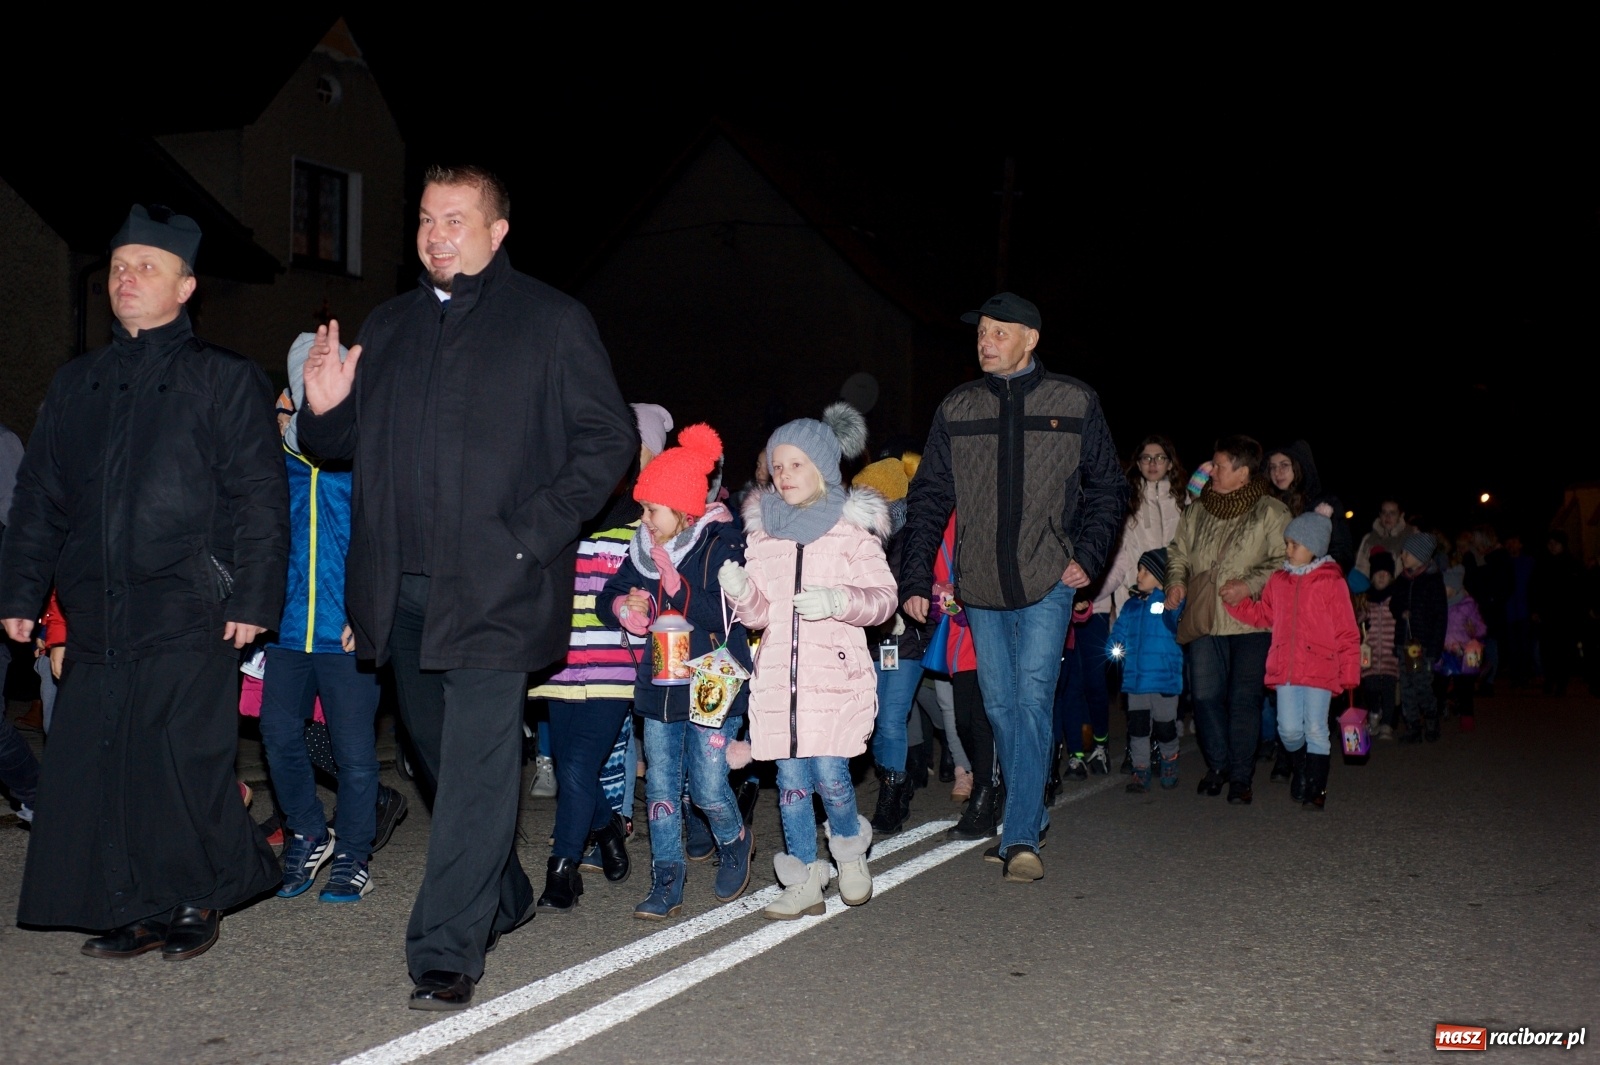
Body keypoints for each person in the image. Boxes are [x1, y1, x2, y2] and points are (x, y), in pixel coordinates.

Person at [297, 166, 635, 1010]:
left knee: (481, 767)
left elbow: (606, 438)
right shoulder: (393, 324)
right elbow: (348, 446)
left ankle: (446, 951)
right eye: (425, 219)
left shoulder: (551, 321)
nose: (437, 234)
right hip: (402, 592)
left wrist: (530, 536)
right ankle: (505, 895)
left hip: (497, 589)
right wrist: (323, 412)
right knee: (441, 760)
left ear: (497, 231)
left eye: (456, 219)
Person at [0, 205, 288, 960]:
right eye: (120, 267)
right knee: (106, 761)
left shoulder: (223, 380)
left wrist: (255, 596)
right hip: (99, 607)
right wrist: (20, 594)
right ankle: (131, 905)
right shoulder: (78, 383)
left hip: (190, 602)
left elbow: (261, 495)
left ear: (186, 285)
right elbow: (40, 497)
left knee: (180, 762)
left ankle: (197, 892)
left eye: (147, 267)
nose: (127, 279)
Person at [899, 293, 1124, 883]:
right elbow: (927, 497)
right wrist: (917, 575)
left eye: (1001, 332)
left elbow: (1107, 489)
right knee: (998, 705)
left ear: (1031, 338)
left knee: (1030, 696)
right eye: (982, 332)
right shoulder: (958, 406)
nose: (986, 341)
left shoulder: (1074, 401)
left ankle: (1021, 834)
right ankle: (1030, 811)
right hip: (979, 582)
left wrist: (1088, 558)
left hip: (1048, 575)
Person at [719, 403, 897, 918]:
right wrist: (741, 591)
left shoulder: (849, 532)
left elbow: (883, 596)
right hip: (780, 684)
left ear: (822, 466)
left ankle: (848, 851)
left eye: (796, 463)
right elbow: (759, 616)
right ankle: (803, 875)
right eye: (777, 464)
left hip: (833, 680)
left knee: (832, 779)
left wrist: (839, 600)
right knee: (792, 787)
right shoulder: (763, 535)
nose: (784, 473)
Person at [256, 334, 395, 904]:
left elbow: (387, 539)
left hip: (346, 632)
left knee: (354, 750)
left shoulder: (366, 453)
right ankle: (309, 832)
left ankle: (355, 854)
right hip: (286, 628)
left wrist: (369, 613)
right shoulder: (274, 459)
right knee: (278, 736)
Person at [602, 424, 754, 918]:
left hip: (713, 678)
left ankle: (733, 839)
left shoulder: (721, 543)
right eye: (643, 508)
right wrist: (626, 607)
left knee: (708, 785)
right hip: (662, 682)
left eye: (652, 510)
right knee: (663, 788)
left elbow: (729, 614)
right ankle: (666, 878)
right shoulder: (643, 550)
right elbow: (613, 593)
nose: (643, 520)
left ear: (684, 510)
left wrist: (677, 588)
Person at [1165, 435, 1290, 805]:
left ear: (1243, 472)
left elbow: (1284, 562)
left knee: (1243, 699)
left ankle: (1240, 775)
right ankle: (1216, 765)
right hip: (1205, 617)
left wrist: (1248, 585)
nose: (1212, 471)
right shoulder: (1196, 511)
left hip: (1252, 620)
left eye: (1219, 465)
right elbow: (1179, 553)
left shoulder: (1272, 512)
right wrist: (1175, 582)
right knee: (1204, 696)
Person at [1222, 512, 1362, 809]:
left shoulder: (1331, 581)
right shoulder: (1279, 580)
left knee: (1316, 728)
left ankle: (1315, 788)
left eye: (1294, 544)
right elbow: (1264, 615)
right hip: (1285, 668)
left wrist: (1349, 671)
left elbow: (1347, 631)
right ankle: (1301, 768)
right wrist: (1238, 604)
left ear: (1314, 546)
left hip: (1321, 668)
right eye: (1286, 543)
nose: (1288, 549)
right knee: (1288, 729)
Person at [852, 451, 932, 835]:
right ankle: (897, 784)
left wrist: (902, 614)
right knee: (874, 719)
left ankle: (892, 795)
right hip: (872, 643)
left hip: (907, 642)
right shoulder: (863, 540)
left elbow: (924, 588)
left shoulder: (915, 536)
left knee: (891, 720)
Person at [1108, 548, 1184, 792]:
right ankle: (1140, 770)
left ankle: (1169, 760)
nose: (1139, 575)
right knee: (1138, 728)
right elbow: (1119, 631)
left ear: (1162, 577)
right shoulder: (1130, 606)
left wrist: (1167, 598)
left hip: (1163, 679)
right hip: (1136, 680)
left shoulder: (1168, 603)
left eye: (1146, 571)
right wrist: (1113, 647)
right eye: (1139, 569)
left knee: (1165, 726)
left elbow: (1174, 623)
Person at [1390, 533, 1448, 743]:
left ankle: (1431, 719)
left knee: (1422, 684)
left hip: (1422, 646)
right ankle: (1412, 725)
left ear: (1420, 556)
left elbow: (1440, 617)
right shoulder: (1402, 580)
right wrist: (1401, 610)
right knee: (1406, 686)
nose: (1402, 555)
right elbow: (1393, 603)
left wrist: (1434, 650)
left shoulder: (1433, 581)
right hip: (1405, 644)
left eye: (1407, 552)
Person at [1435, 566, 1487, 731]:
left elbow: (1481, 628)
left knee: (1464, 687)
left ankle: (1467, 716)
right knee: (1438, 685)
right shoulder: (1438, 605)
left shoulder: (1468, 605)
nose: (1442, 590)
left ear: (1455, 587)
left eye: (1446, 587)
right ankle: (1434, 716)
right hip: (1443, 651)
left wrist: (1475, 630)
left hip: (1463, 654)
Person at [1359, 549, 1403, 739]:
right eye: (1378, 574)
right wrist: (1360, 618)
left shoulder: (1395, 599)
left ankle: (1386, 725)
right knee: (1370, 686)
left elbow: (1402, 621)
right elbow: (1359, 622)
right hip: (1370, 654)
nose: (1382, 577)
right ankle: (1374, 712)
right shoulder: (1367, 600)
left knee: (1388, 689)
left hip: (1389, 653)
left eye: (1386, 573)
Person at [1355, 501, 1418, 578]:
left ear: (1401, 515)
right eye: (1384, 512)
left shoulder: (1411, 536)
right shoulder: (1369, 539)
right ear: (1380, 515)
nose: (1387, 517)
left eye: (1392, 513)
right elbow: (1361, 568)